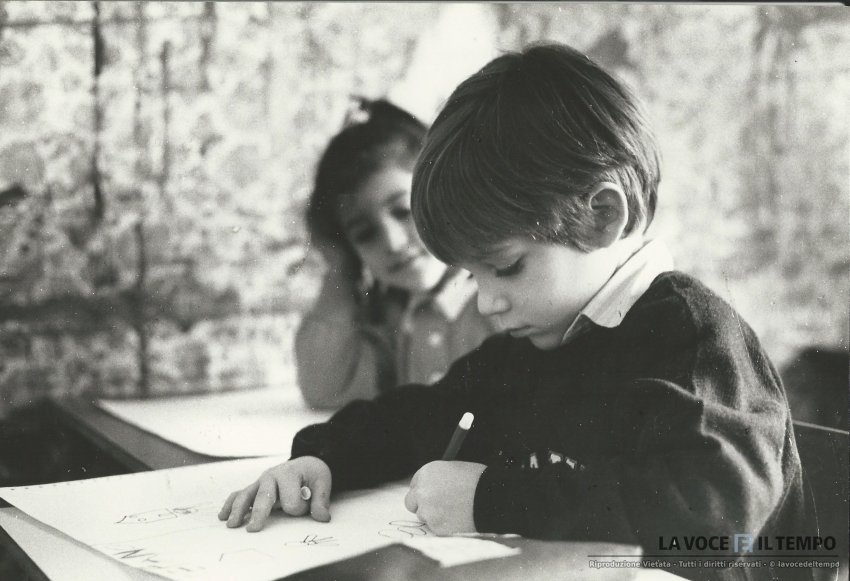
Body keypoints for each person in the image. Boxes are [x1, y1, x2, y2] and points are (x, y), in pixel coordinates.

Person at [220, 44, 814, 580]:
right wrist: (322, 456)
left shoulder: (695, 336)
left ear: (603, 216)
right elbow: (424, 415)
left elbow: (711, 519)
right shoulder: (536, 341)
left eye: (505, 268)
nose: (487, 301)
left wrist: (491, 500)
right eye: (471, 276)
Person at [295, 98, 494, 409]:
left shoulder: (500, 298)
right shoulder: (392, 317)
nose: (393, 242)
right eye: (365, 234)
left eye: (403, 211)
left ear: (449, 192)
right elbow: (322, 389)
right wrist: (340, 269)